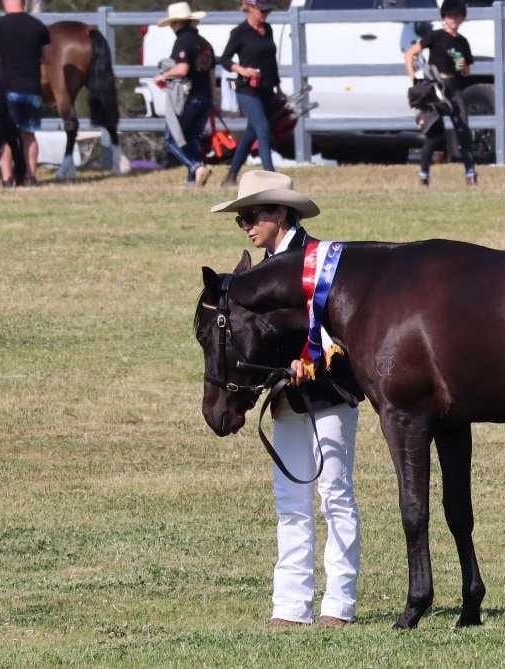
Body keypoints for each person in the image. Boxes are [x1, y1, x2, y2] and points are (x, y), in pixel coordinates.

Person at [210, 170, 363, 629]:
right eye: (241, 220)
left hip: (330, 392)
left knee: (335, 494)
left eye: (251, 217)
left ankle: (339, 604)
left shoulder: (321, 261)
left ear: (279, 213)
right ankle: (291, 605)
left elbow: (345, 326)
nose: (246, 227)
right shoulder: (257, 272)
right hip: (283, 399)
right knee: (290, 498)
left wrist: (312, 360)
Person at [403, 0, 478, 187]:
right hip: (435, 88)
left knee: (463, 131)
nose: (454, 20)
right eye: (451, 16)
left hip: (454, 86)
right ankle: (424, 175)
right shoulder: (435, 36)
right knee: (433, 134)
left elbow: (467, 72)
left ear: (463, 18)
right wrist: (413, 79)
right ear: (444, 17)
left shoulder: (462, 42)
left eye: (458, 16)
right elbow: (410, 53)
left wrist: (463, 67)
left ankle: (470, 174)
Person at [219, 0, 281, 187]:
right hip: (247, 89)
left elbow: (271, 61)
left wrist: (277, 86)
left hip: (266, 88)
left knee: (251, 134)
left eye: (268, 11)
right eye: (262, 11)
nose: (265, 14)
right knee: (263, 128)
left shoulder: (267, 29)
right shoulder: (239, 32)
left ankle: (231, 176)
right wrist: (243, 70)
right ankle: (271, 178)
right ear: (251, 9)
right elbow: (225, 59)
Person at [0, 0, 50, 187]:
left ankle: (7, 179)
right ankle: (30, 176)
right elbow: (45, 59)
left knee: (6, 137)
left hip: (7, 87)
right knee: (29, 135)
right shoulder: (38, 25)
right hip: (32, 88)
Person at [154, 2, 215, 187]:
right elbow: (211, 74)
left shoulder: (183, 41)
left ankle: (196, 167)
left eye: (172, 23)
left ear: (177, 23)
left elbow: (182, 69)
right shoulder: (205, 43)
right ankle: (192, 182)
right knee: (191, 138)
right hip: (205, 97)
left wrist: (164, 75)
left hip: (189, 98)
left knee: (171, 139)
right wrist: (211, 100)